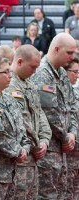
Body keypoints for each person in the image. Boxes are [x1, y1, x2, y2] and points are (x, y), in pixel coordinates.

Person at [31, 32, 77, 199]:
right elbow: (49, 113)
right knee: (47, 195)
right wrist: (66, 137)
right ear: (56, 49)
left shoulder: (62, 74)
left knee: (63, 194)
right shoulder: (42, 74)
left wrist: (73, 132)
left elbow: (72, 107)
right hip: (49, 149)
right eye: (69, 53)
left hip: (63, 149)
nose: (72, 57)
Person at [5, 45, 52, 199]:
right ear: (19, 62)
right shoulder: (10, 84)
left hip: (32, 159)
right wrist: (37, 145)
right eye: (32, 67)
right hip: (20, 159)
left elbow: (40, 114)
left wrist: (45, 140)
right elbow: (22, 120)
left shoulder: (29, 83)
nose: (35, 71)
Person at [0, 57, 30, 199]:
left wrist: (25, 147)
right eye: (6, 72)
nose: (10, 76)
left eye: (10, 72)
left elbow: (21, 129)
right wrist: (18, 151)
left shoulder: (9, 98)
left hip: (11, 172)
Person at [64, 58, 79, 200]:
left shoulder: (73, 91)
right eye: (75, 72)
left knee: (75, 189)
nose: (77, 75)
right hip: (69, 149)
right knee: (67, 188)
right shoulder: (64, 92)